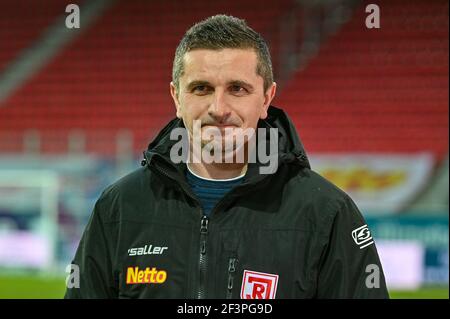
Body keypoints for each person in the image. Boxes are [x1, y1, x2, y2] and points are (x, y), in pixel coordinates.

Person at [65, 14, 389, 299]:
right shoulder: (119, 209)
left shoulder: (327, 214)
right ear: (177, 97)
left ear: (266, 98)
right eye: (201, 88)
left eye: (237, 89)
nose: (219, 109)